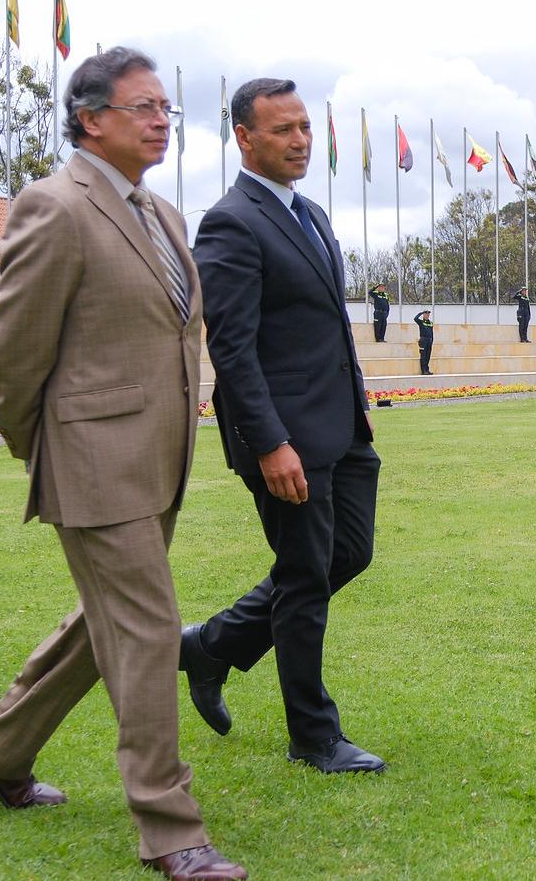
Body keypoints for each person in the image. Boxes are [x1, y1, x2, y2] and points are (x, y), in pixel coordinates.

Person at [0, 49, 247, 881]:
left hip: (159, 458)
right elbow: (13, 351)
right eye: (143, 107)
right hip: (93, 460)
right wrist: (45, 447)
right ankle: (170, 827)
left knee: (104, 623)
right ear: (90, 119)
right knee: (147, 630)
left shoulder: (163, 213)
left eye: (165, 109)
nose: (161, 121)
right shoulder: (55, 205)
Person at [179, 77, 388, 792]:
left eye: (305, 127)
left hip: (341, 427)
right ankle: (314, 735)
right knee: (304, 577)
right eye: (283, 130)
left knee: (347, 553)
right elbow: (232, 347)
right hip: (284, 439)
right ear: (244, 137)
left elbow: (324, 323)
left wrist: (358, 401)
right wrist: (269, 443)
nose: (301, 141)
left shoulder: (311, 214)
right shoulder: (231, 223)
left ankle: (212, 645)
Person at [415, 310, 435, 375]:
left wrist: (432, 340)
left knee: (428, 356)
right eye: (426, 314)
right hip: (423, 340)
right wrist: (421, 313)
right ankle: (424, 370)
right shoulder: (421, 322)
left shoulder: (430, 323)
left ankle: (427, 369)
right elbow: (415, 318)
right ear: (423, 315)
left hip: (429, 340)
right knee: (423, 355)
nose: (427, 315)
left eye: (428, 314)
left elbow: (431, 332)